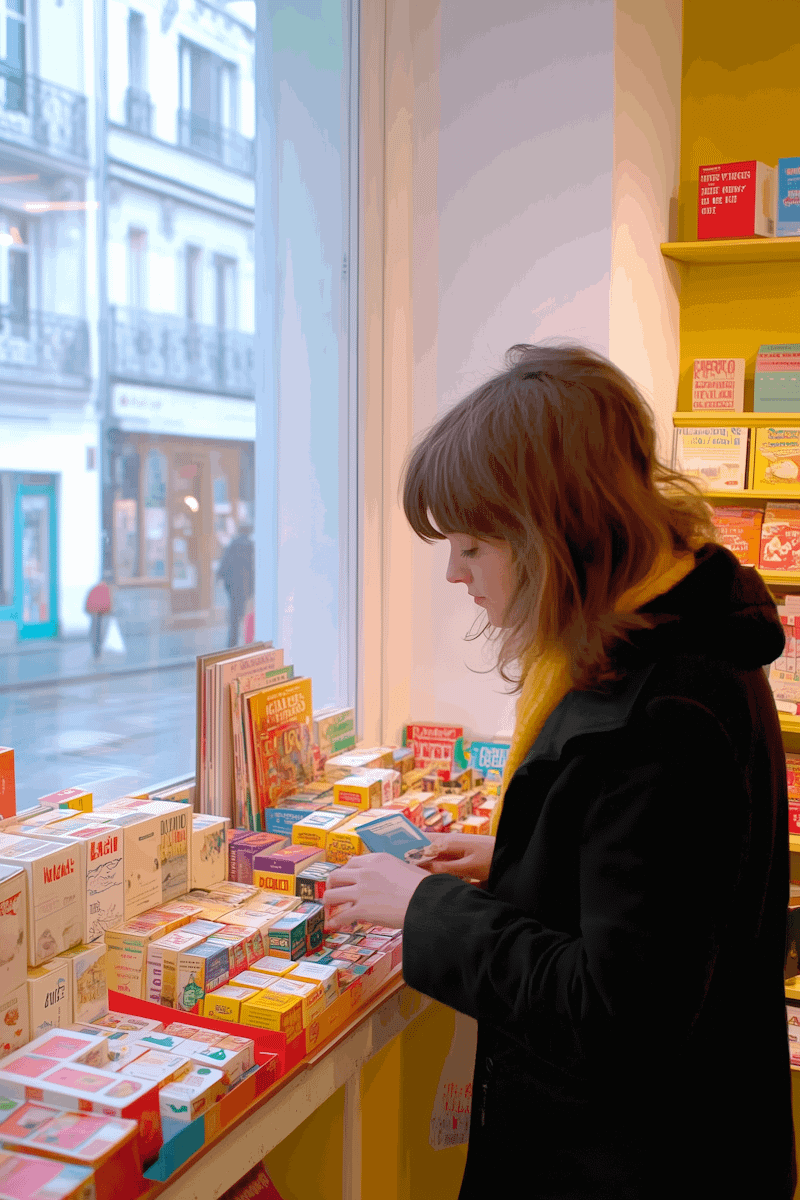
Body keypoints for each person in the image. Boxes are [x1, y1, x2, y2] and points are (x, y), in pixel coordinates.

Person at [322, 344, 797, 1199]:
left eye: (472, 545)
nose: (453, 573)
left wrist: (425, 910)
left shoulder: (667, 712)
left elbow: (618, 1017)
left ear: (551, 536)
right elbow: (646, 897)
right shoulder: (662, 637)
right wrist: (524, 860)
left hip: (636, 1161)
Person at [217, 522, 254, 649]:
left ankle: (231, 644)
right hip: (247, 587)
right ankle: (248, 644)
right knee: (248, 615)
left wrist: (220, 577)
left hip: (234, 586)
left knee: (234, 618)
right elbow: (253, 568)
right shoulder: (251, 546)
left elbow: (225, 563)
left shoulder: (233, 544)